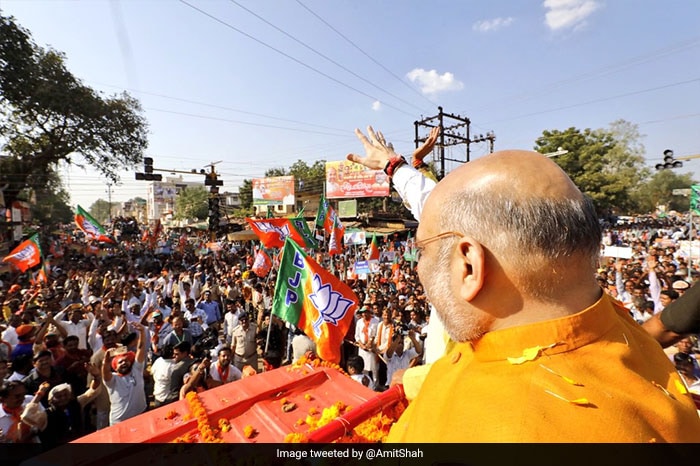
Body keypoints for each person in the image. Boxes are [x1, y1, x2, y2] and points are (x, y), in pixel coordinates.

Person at [347, 126, 700, 442]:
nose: (419, 266)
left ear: (469, 265)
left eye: (422, 251)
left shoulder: (458, 428)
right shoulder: (624, 335)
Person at [102, 322, 147, 425]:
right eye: (120, 362)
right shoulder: (112, 380)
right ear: (115, 367)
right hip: (120, 422)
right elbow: (105, 372)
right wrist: (106, 361)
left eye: (126, 360)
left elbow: (140, 348)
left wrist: (142, 332)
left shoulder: (136, 370)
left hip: (141, 415)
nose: (123, 363)